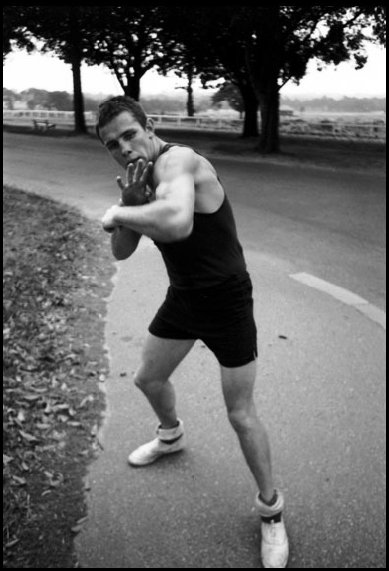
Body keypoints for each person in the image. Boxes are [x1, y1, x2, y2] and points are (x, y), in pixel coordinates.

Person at [98, 96, 289, 568]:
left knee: (241, 414)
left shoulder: (179, 161)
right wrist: (128, 203)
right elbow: (122, 252)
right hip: (184, 298)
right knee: (148, 379)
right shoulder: (140, 179)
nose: (123, 148)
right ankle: (171, 436)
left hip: (226, 301)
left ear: (149, 126)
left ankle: (271, 511)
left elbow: (179, 223)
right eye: (111, 144)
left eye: (129, 134)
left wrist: (119, 213)